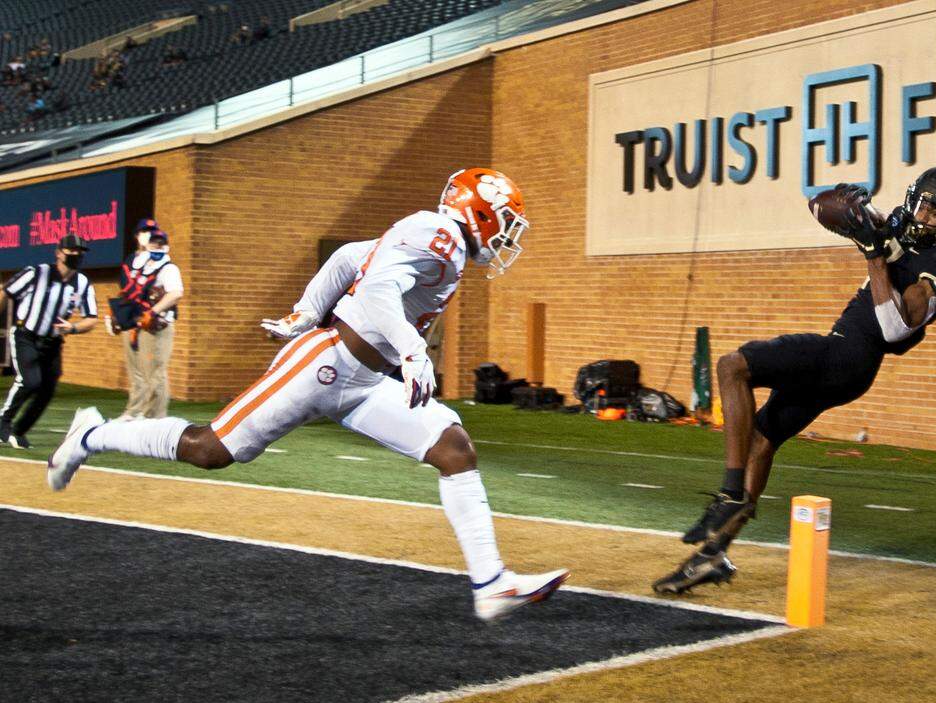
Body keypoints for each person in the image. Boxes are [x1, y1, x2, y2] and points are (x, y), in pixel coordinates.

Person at [48, 168, 568, 621]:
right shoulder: (439, 235)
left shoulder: (434, 236)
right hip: (327, 364)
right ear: (478, 212)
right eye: (505, 221)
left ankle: (490, 584)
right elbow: (377, 290)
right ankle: (92, 434)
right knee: (209, 450)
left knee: (453, 447)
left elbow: (349, 258)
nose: (507, 235)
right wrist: (412, 350)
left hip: (365, 383)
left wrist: (306, 311)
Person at [653, 165, 936, 594]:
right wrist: (849, 207)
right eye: (920, 205)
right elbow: (829, 208)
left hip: (848, 357)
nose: (921, 217)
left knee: (732, 366)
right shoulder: (902, 226)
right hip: (843, 360)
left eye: (934, 213)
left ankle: (731, 494)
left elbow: (893, 329)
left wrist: (872, 252)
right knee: (761, 440)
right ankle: (713, 555)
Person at [0, 234, 98, 449]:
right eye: (72, 251)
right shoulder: (36, 273)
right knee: (30, 381)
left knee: (47, 390)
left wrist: (73, 327)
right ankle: (3, 421)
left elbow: (92, 318)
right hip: (26, 335)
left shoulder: (82, 283)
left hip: (53, 342)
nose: (76, 255)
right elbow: (6, 292)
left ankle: (19, 430)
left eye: (80, 252)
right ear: (59, 253)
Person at [115, 221, 183, 420]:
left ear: (166, 246)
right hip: (136, 323)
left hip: (156, 326)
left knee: (155, 374)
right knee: (138, 372)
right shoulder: (140, 265)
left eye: (161, 243)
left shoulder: (169, 268)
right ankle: (136, 411)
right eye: (154, 242)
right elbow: (129, 292)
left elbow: (176, 293)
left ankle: (155, 418)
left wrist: (152, 312)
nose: (157, 246)